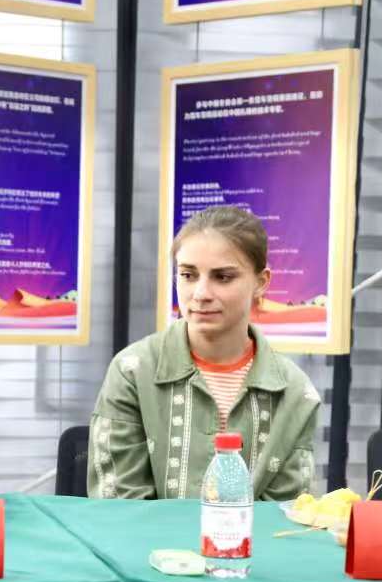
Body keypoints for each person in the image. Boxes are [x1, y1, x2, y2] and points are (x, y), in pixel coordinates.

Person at [88, 206, 319, 500]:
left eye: (222, 277)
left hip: (253, 535)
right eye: (188, 275)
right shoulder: (133, 371)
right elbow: (119, 506)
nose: (200, 294)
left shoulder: (295, 393)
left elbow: (283, 516)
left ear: (261, 282)